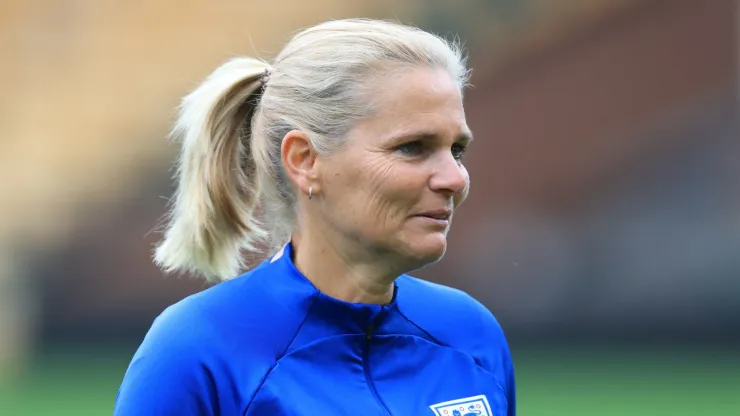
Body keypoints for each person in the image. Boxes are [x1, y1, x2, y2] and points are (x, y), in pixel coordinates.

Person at [113, 18, 515, 416]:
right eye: (412, 147)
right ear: (305, 160)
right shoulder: (199, 349)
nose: (454, 178)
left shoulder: (471, 335)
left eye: (456, 150)